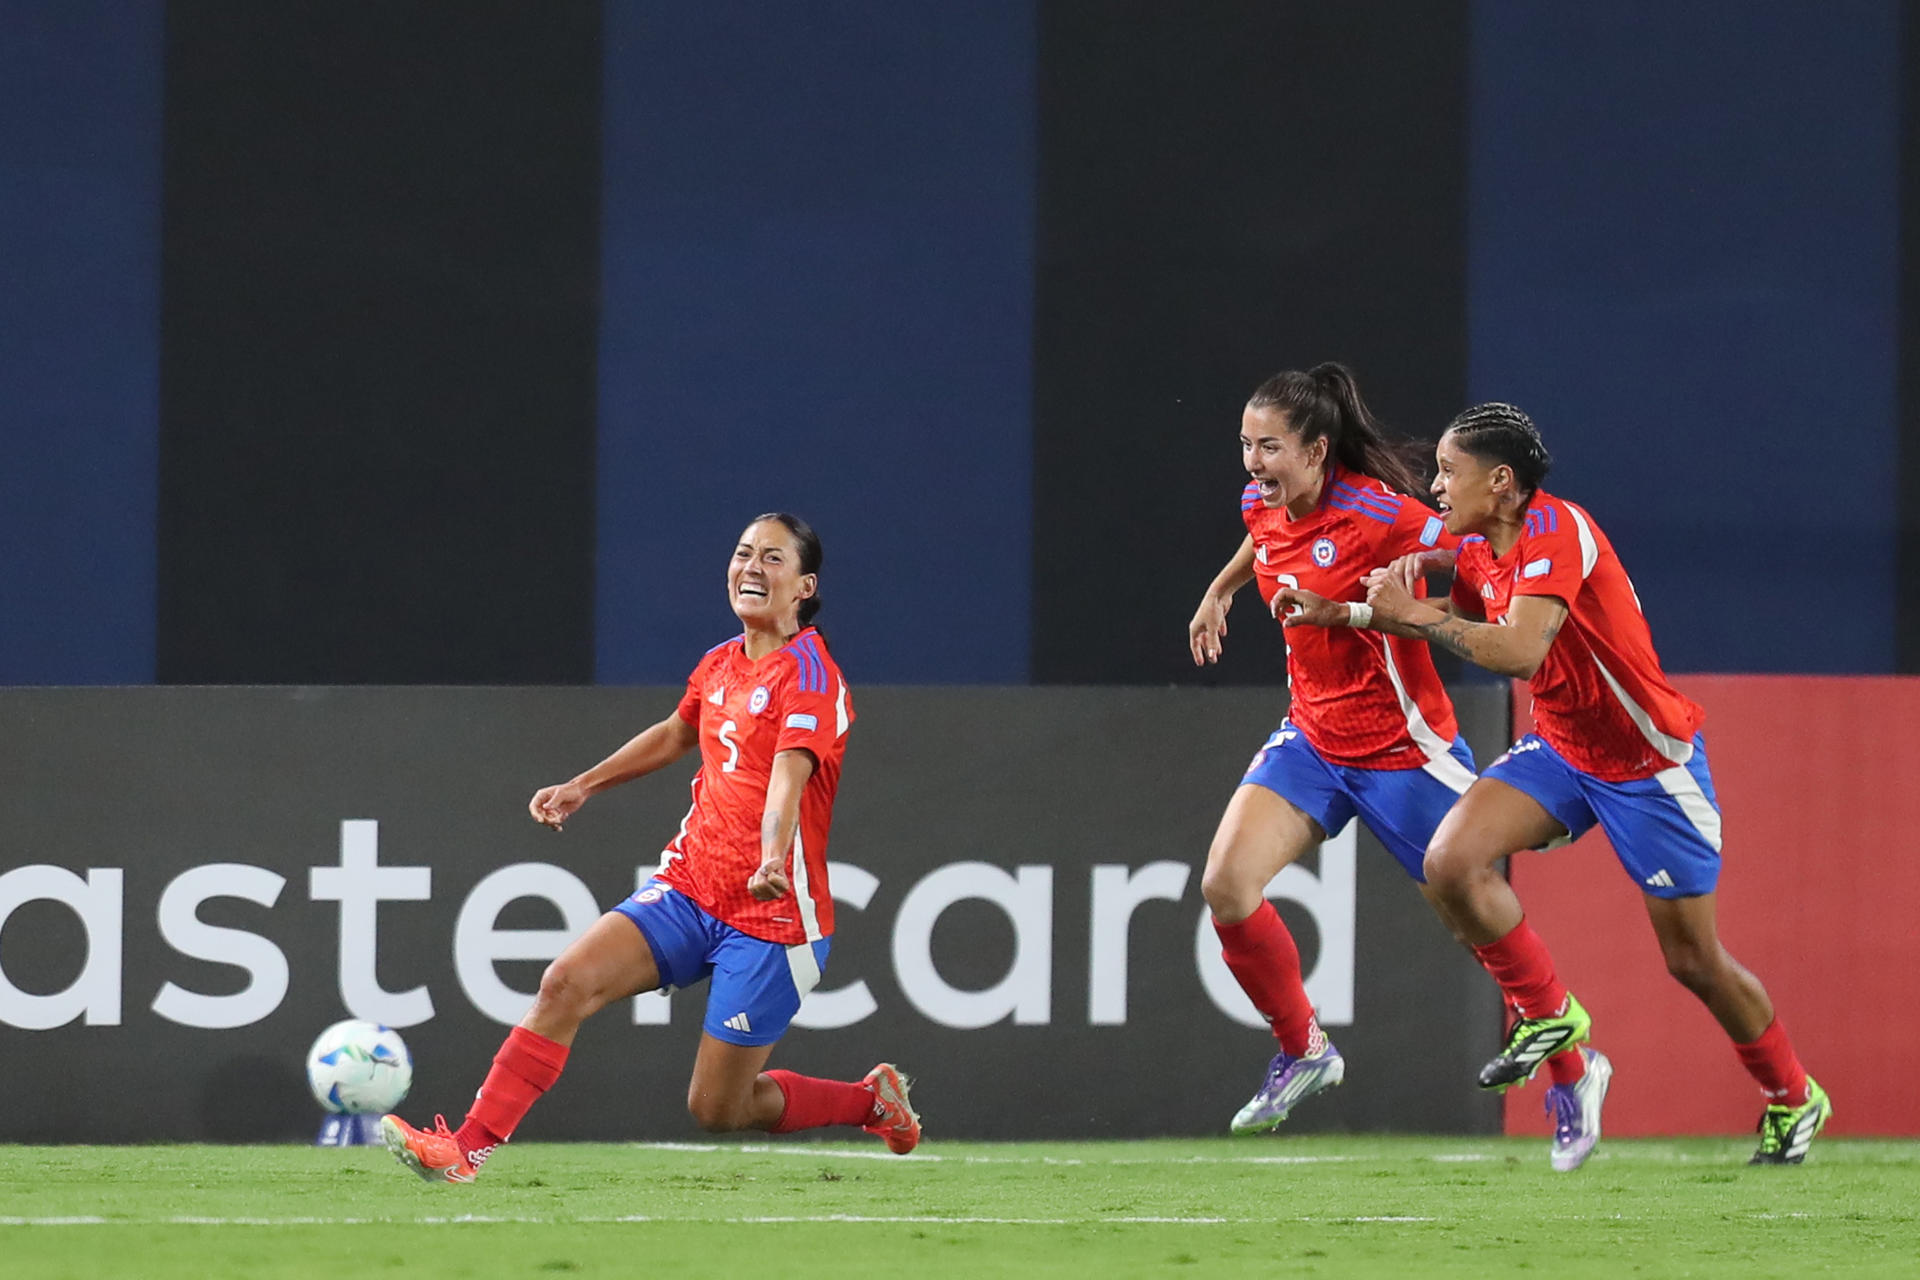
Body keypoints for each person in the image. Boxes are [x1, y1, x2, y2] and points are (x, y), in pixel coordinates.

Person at [1286, 401, 1828, 1167]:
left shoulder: (1556, 530)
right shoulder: (1480, 547)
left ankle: (1793, 1096)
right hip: (1563, 750)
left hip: (1649, 766)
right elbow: (1458, 624)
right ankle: (1550, 1014)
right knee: (1448, 864)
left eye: (1449, 471)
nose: (1436, 488)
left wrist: (1403, 611)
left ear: (1501, 482)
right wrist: (1346, 611)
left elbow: (1514, 654)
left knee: (1693, 963)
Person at [381, 512, 920, 1183]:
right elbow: (675, 735)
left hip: (774, 920)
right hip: (692, 887)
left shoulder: (812, 676)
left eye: (772, 558)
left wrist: (773, 856)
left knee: (718, 1107)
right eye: (743, 552)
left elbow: (789, 774)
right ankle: (467, 1149)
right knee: (564, 983)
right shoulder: (719, 664)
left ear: (804, 585)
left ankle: (871, 1102)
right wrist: (584, 784)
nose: (751, 567)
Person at [1186, 363, 1505, 1141]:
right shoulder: (1260, 504)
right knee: (1226, 886)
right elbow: (1263, 538)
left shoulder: (1381, 513)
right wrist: (1222, 588)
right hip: (1313, 738)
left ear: (1318, 450)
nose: (1252, 463)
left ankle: (1564, 1055)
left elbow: (1472, 560)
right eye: (1244, 445)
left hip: (1402, 746)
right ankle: (1304, 1051)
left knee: (1471, 917)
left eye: (1269, 448)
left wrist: (1428, 615)